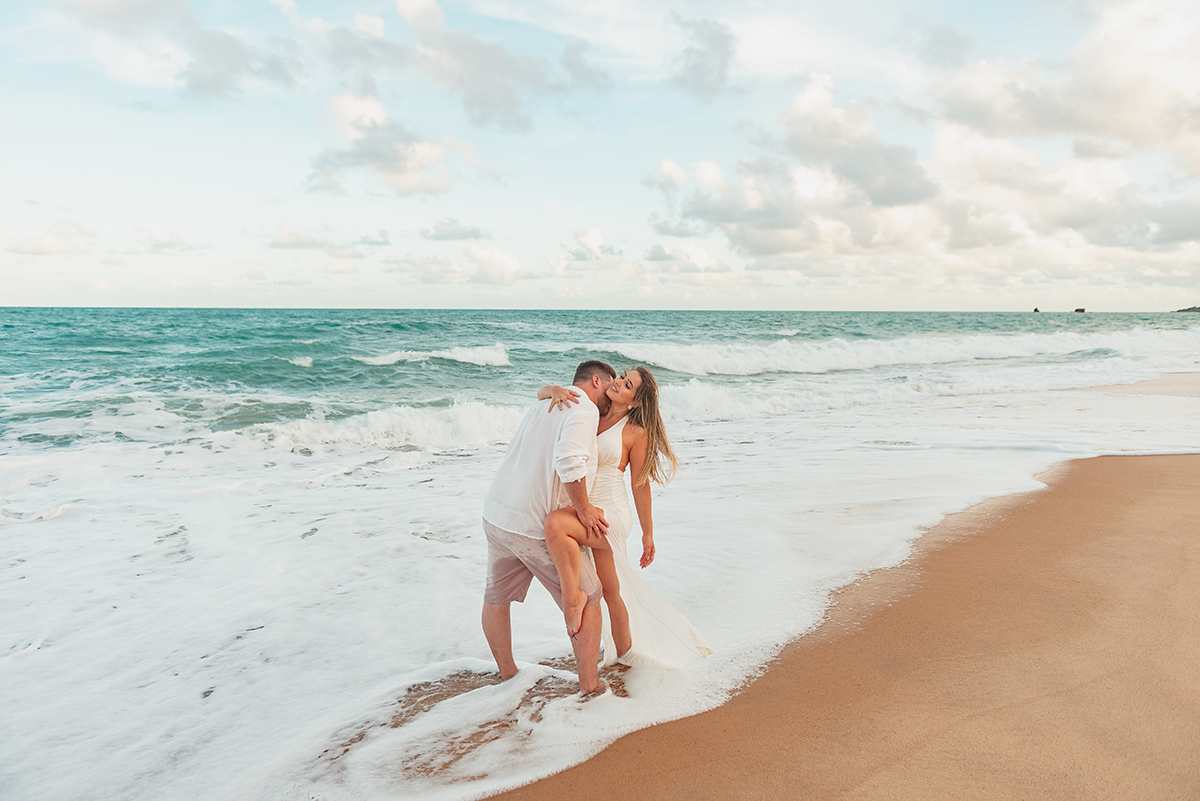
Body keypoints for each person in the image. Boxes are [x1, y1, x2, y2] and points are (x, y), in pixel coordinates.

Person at [540, 366, 713, 670]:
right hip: (587, 509)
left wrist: (648, 533)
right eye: (621, 376)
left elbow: (639, 483)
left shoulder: (635, 432)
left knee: (556, 524)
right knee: (611, 591)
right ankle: (626, 657)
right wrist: (552, 389)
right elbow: (542, 396)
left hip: (611, 514)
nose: (618, 382)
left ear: (634, 401)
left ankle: (576, 603)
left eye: (627, 384)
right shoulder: (594, 409)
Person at [480, 360, 616, 696]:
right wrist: (583, 510)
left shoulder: (545, 402)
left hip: (497, 513)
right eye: (610, 389)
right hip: (533, 526)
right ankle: (590, 687)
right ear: (596, 381)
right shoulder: (583, 410)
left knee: (496, 597)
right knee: (587, 597)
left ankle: (508, 675)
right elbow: (569, 461)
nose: (610, 399)